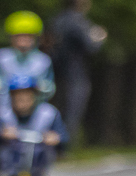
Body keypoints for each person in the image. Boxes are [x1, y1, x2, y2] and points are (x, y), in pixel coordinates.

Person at [0, 11, 55, 176]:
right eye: (19, 36)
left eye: (28, 37)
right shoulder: (1, 57)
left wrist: (44, 87)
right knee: (0, 148)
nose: (23, 41)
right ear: (11, 38)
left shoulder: (42, 61)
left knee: (37, 147)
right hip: (5, 112)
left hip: (31, 114)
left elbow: (50, 86)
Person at [0, 74, 68, 176]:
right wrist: (2, 133)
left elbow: (63, 136)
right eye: (17, 96)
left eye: (26, 95)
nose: (22, 100)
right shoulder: (4, 114)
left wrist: (55, 138)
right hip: (13, 160)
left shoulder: (48, 113)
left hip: (38, 160)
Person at [50, 0, 107, 143]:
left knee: (59, 108)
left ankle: (56, 142)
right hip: (75, 72)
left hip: (56, 71)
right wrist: (99, 37)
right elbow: (91, 47)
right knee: (72, 110)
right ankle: (63, 144)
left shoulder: (57, 20)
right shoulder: (77, 22)